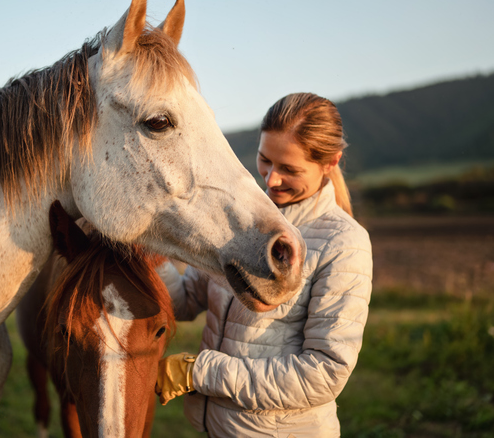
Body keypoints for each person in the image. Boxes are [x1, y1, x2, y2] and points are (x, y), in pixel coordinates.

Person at [155, 93, 373, 437]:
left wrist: (201, 373)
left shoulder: (343, 244)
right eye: (264, 160)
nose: (270, 180)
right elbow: (183, 302)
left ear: (331, 162)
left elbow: (324, 373)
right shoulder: (237, 224)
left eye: (289, 169)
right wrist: (152, 255)